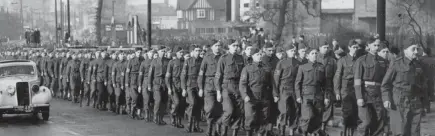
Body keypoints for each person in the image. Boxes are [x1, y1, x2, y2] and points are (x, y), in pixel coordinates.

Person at [381, 38, 427, 136]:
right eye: (413, 49)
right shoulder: (396, 63)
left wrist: (425, 103)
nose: (416, 52)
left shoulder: (418, 64)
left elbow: (423, 85)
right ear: (405, 50)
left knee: (415, 131)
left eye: (417, 49)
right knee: (401, 131)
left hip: (415, 102)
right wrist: (386, 99)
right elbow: (385, 84)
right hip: (400, 102)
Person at [354, 37, 389, 136]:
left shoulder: (383, 61)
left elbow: (386, 80)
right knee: (366, 121)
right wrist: (359, 97)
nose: (377, 47)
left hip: (378, 94)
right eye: (374, 45)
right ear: (368, 46)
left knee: (379, 120)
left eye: (378, 45)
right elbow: (357, 81)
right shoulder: (361, 60)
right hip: (366, 93)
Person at [239, 47, 275, 136]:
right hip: (251, 96)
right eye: (257, 55)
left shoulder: (267, 68)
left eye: (260, 54)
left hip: (264, 96)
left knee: (264, 118)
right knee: (250, 118)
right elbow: (242, 84)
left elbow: (272, 83)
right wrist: (245, 95)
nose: (259, 56)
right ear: (253, 56)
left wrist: (275, 94)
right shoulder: (247, 68)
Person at [295, 48, 328, 136]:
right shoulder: (302, 67)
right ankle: (303, 132)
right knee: (308, 116)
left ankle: (313, 133)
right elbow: (298, 83)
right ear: (307, 56)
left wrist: (326, 97)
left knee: (317, 118)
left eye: (316, 53)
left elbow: (325, 84)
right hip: (306, 95)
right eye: (312, 53)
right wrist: (298, 96)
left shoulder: (321, 67)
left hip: (318, 95)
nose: (315, 55)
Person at [215, 42, 245, 136]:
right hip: (227, 87)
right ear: (229, 47)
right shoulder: (223, 58)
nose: (236, 48)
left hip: (238, 87)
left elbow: (244, 75)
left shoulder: (241, 58)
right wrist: (218, 92)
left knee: (240, 112)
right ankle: (222, 130)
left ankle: (234, 133)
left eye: (237, 46)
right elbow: (218, 76)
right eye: (233, 46)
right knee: (229, 111)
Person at [333, 39, 361, 135]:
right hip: (345, 89)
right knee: (346, 113)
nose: (355, 49)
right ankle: (344, 133)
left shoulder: (359, 60)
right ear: (349, 48)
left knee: (355, 113)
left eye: (357, 47)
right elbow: (337, 76)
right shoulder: (342, 60)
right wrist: (337, 91)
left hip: (356, 89)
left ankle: (352, 134)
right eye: (353, 47)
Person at [274, 44, 300, 136]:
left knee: (294, 110)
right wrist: (275, 94)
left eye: (294, 50)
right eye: (291, 51)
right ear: (287, 52)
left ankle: (292, 131)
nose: (293, 52)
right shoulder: (281, 63)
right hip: (283, 89)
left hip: (294, 90)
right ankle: (282, 132)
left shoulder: (298, 63)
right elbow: (276, 79)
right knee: (284, 111)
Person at [198, 42, 223, 136]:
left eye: (219, 46)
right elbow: (201, 73)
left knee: (219, 108)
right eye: (215, 46)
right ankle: (209, 128)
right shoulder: (207, 58)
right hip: (209, 85)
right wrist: (200, 88)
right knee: (210, 107)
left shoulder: (223, 57)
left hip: (220, 85)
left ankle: (217, 128)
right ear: (212, 47)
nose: (217, 47)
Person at [181, 45, 204, 132]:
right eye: (196, 51)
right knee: (193, 103)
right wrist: (183, 88)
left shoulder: (202, 61)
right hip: (190, 85)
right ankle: (189, 125)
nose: (198, 52)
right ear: (193, 52)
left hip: (199, 86)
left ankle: (196, 126)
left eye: (199, 50)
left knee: (198, 106)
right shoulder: (188, 61)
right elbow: (183, 76)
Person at [148, 46, 170, 125]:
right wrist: (149, 84)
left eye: (164, 51)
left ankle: (161, 118)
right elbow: (150, 74)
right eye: (162, 51)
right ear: (158, 52)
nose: (163, 53)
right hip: (156, 82)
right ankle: (155, 117)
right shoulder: (154, 61)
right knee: (158, 100)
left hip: (165, 82)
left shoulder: (168, 61)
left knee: (164, 101)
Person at [317, 42, 337, 130]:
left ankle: (323, 128)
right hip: (317, 87)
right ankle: (316, 128)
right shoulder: (315, 58)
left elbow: (336, 76)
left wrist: (336, 90)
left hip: (328, 87)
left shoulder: (332, 61)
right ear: (319, 48)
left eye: (327, 47)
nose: (326, 49)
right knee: (317, 108)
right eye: (324, 47)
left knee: (328, 107)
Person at [165, 47, 186, 128]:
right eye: (180, 52)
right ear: (176, 53)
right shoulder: (172, 62)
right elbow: (167, 77)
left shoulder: (185, 62)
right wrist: (169, 88)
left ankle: (179, 121)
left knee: (182, 105)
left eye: (182, 52)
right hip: (174, 84)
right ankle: (173, 115)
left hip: (182, 85)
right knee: (176, 102)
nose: (182, 54)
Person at [126, 48, 144, 119]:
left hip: (140, 80)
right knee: (135, 97)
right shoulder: (131, 60)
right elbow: (127, 72)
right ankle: (132, 111)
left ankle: (138, 114)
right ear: (135, 53)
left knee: (140, 97)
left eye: (140, 52)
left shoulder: (143, 60)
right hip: (133, 80)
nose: (139, 53)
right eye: (138, 52)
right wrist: (127, 82)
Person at [139, 49, 155, 121]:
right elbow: (140, 75)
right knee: (146, 98)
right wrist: (139, 85)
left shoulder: (155, 61)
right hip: (145, 81)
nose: (151, 54)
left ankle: (151, 113)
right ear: (147, 54)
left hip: (154, 81)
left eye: (152, 52)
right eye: (150, 52)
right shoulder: (143, 63)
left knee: (153, 98)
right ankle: (146, 113)